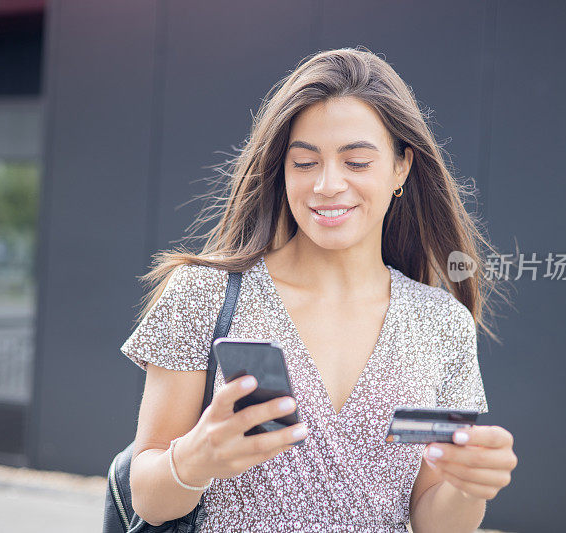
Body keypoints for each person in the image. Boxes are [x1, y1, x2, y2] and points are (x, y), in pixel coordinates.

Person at [120, 46, 517, 532]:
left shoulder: (441, 323)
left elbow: (436, 521)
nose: (328, 184)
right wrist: (198, 456)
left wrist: (467, 485)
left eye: (356, 162)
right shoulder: (202, 294)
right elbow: (148, 498)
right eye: (305, 163)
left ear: (401, 168)